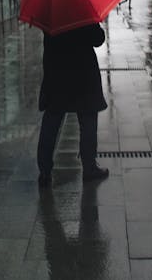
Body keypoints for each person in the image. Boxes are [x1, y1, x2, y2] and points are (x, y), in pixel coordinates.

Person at [37, 23, 109, 187]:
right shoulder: (82, 12)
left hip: (57, 75)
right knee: (88, 121)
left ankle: (44, 171)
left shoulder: (51, 15)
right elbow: (98, 39)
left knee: (51, 122)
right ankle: (89, 168)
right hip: (83, 74)